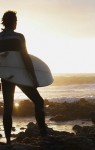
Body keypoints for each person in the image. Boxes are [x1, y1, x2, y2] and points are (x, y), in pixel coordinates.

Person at [0, 11, 47, 144]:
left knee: (8, 108)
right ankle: (43, 133)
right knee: (38, 101)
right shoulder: (19, 37)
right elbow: (25, 58)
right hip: (21, 75)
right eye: (16, 20)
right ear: (14, 22)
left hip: (6, 77)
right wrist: (33, 78)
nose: (16, 23)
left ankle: (8, 140)